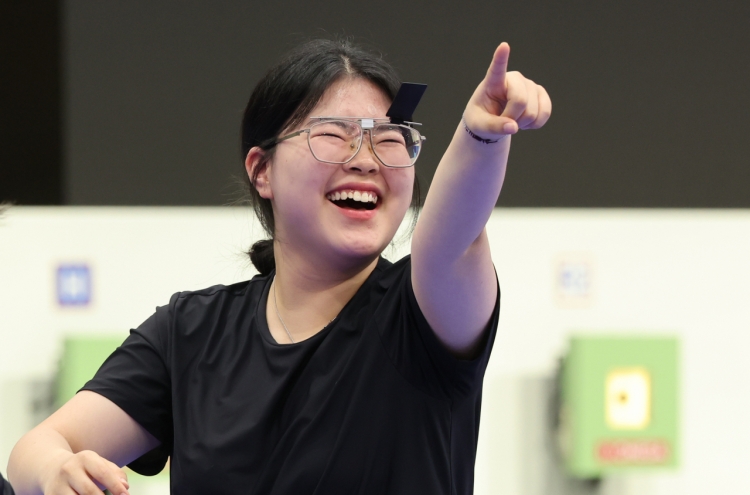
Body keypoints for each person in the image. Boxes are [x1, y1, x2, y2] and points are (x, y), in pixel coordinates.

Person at [7, 38, 550, 494]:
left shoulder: (422, 316)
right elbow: (37, 450)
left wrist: (481, 136)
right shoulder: (190, 333)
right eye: (334, 135)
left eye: (390, 140)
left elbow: (450, 237)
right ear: (261, 170)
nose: (366, 159)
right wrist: (58, 470)